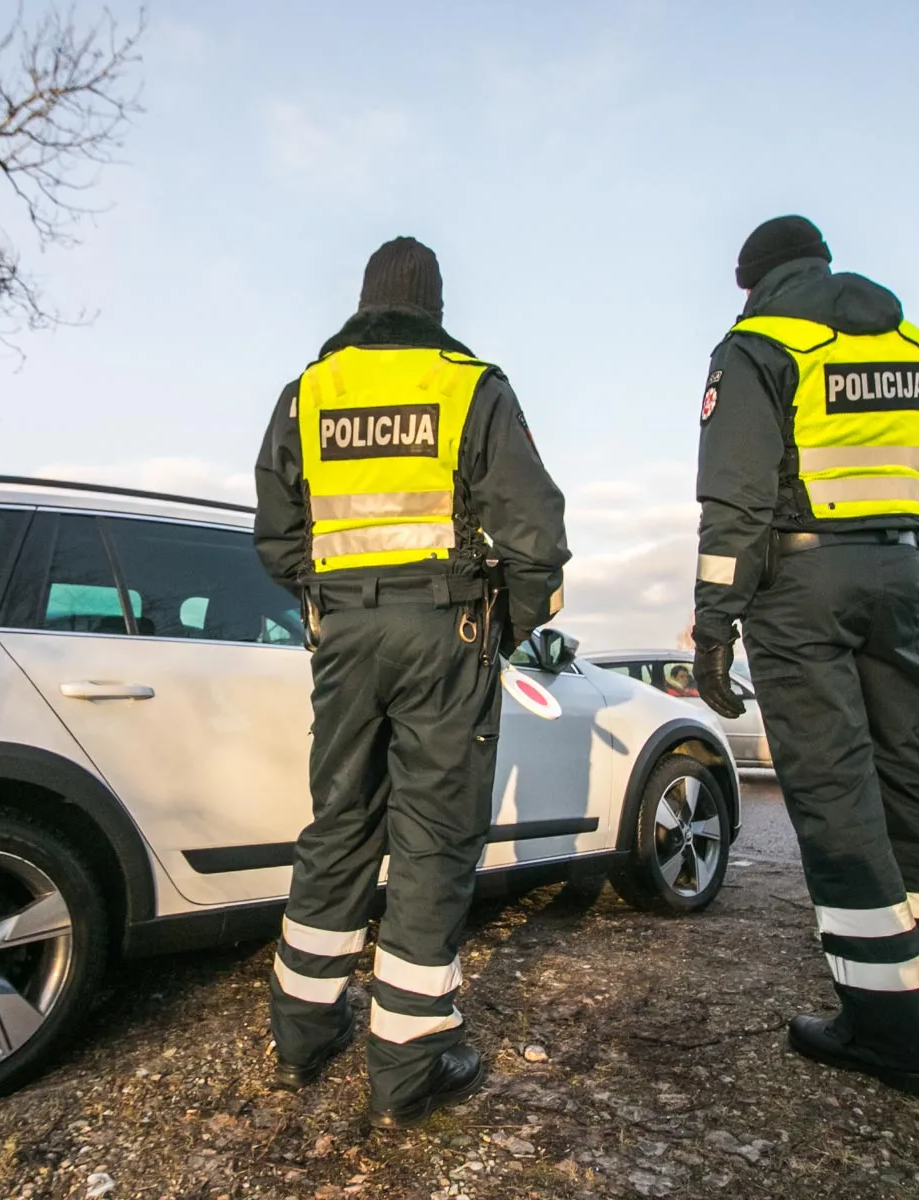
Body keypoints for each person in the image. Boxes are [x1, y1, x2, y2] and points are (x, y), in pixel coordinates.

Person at [254, 236, 570, 1128]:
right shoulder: (469, 385)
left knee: (340, 822)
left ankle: (302, 1039)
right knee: (432, 838)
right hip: (446, 627)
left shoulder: (309, 392)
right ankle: (408, 1066)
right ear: (432, 306)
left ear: (365, 303)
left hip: (345, 633)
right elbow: (536, 533)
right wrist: (507, 624)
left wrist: (329, 600)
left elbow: (276, 535)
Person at [689, 216, 919, 1096]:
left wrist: (715, 623)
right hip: (898, 574)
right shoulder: (913, 346)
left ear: (754, 280)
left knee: (836, 798)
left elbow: (736, 500)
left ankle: (891, 1030)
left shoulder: (758, 345)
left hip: (800, 585)